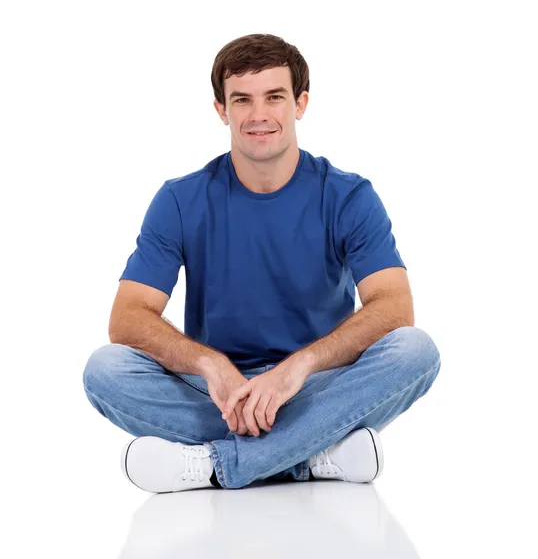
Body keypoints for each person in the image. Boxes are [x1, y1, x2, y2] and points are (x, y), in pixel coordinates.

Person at [82, 33, 441, 493]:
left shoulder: (349, 196)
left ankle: (218, 465)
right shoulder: (179, 199)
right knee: (105, 370)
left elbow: (394, 308)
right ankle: (312, 454)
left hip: (316, 385)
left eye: (274, 97)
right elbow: (127, 317)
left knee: (415, 351)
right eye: (242, 100)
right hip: (219, 396)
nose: (258, 115)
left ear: (300, 103)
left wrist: (298, 367)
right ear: (221, 110)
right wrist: (212, 366)